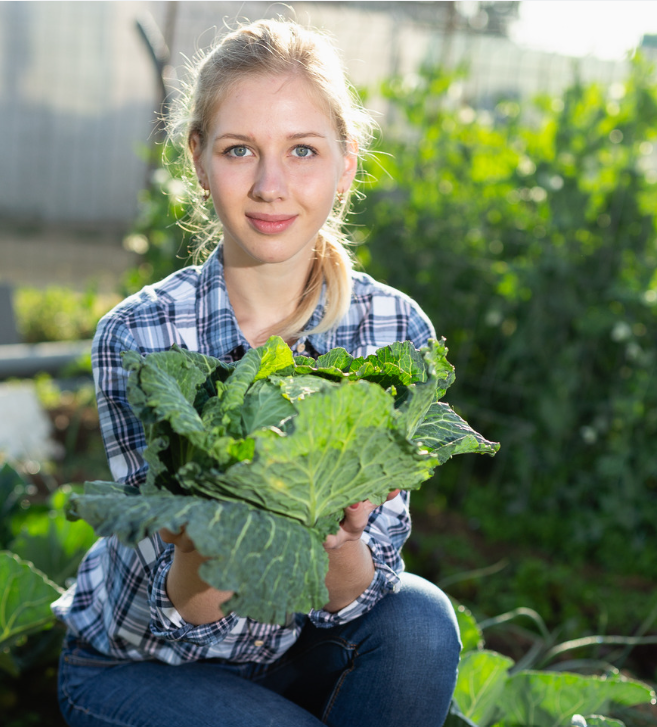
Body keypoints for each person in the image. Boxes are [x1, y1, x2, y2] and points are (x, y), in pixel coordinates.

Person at [52, 18, 461, 727]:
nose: (271, 185)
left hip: (297, 645)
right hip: (143, 662)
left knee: (420, 620)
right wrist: (217, 531)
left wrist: (337, 535)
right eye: (240, 149)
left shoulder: (393, 330)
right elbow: (180, 608)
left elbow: (355, 600)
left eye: (302, 149)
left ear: (346, 165)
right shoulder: (142, 333)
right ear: (199, 163)